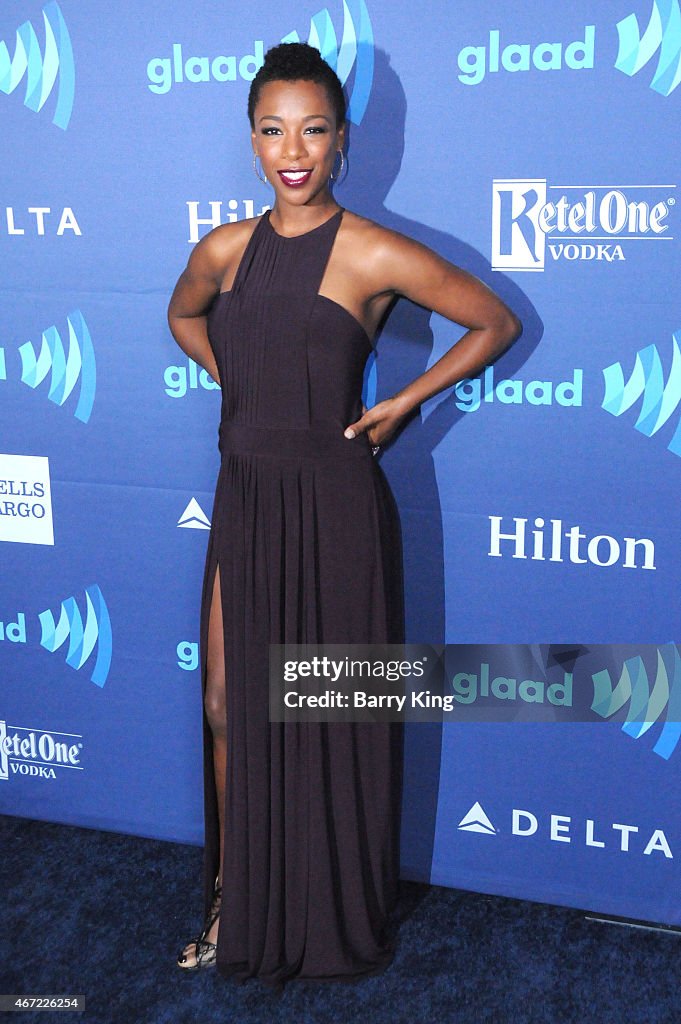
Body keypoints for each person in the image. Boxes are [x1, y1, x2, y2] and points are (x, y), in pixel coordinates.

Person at [169, 41, 521, 989]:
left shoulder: (368, 248)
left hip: (333, 509)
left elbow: (493, 321)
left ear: (342, 141)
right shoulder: (221, 250)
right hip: (245, 497)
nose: (294, 150)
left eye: (314, 129)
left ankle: (322, 909)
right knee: (223, 704)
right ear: (251, 140)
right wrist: (238, 383)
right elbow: (184, 316)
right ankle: (234, 895)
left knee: (324, 710)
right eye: (274, 129)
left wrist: (405, 402)